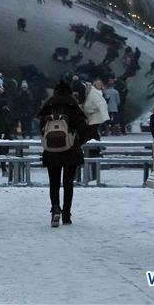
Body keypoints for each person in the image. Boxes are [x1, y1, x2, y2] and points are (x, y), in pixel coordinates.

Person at [37, 80, 88, 227]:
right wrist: (78, 141)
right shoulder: (73, 105)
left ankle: (55, 208)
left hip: (51, 151)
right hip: (70, 150)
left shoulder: (48, 105)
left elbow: (41, 127)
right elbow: (82, 128)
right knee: (68, 183)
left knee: (54, 182)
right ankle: (66, 214)